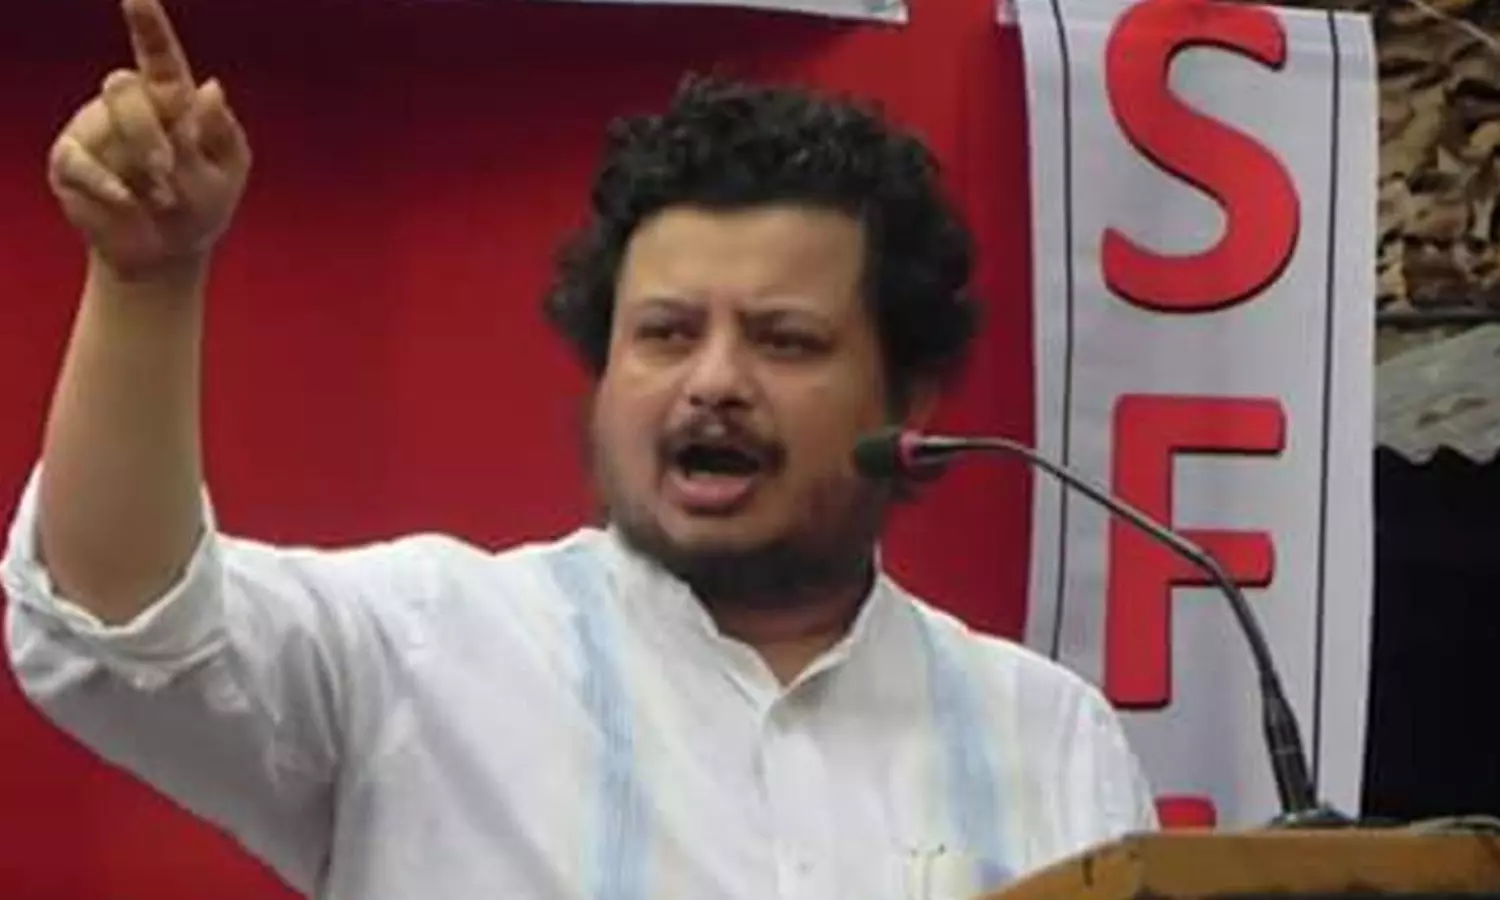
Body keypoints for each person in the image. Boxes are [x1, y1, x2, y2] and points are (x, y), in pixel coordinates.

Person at [1, 0, 1157, 898]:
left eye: (784, 340)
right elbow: (117, 622)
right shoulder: (423, 650)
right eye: (665, 334)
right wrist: (147, 282)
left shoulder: (1045, 734)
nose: (713, 381)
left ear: (908, 400)